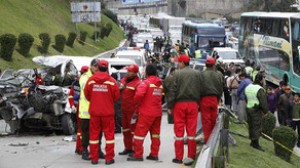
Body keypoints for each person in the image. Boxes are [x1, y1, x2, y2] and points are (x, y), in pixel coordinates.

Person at [84, 59, 120, 165]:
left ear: (98, 67)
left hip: (95, 112)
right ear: (107, 68)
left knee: (94, 135)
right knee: (109, 136)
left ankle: (94, 158)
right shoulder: (112, 81)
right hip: (107, 112)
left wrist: (95, 100)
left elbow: (87, 95)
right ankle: (109, 158)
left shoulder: (91, 80)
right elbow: (116, 96)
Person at [167, 54, 201, 166]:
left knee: (179, 132)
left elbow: (172, 91)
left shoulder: (177, 74)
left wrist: (170, 106)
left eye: (178, 62)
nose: (178, 64)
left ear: (182, 63)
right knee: (191, 133)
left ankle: (178, 157)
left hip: (179, 105)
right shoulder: (197, 74)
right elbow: (201, 89)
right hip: (193, 105)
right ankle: (191, 156)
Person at [127, 64, 163, 161]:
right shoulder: (159, 83)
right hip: (157, 113)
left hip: (146, 113)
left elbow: (138, 95)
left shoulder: (146, 83)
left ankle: (138, 155)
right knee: (155, 134)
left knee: (139, 134)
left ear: (147, 72)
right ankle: (154, 154)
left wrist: (136, 104)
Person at [79, 59, 105, 161]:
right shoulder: (85, 77)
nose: (98, 69)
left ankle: (98, 150)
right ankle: (85, 150)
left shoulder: (98, 76)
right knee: (86, 132)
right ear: (92, 67)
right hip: (86, 111)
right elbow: (89, 92)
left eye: (99, 68)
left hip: (97, 110)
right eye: (96, 67)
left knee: (99, 132)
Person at [199, 57, 224, 143]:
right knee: (213, 120)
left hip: (204, 99)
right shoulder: (219, 74)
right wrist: (219, 98)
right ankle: (213, 139)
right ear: (214, 65)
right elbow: (221, 87)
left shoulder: (201, 74)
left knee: (206, 121)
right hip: (215, 99)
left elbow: (198, 87)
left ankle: (207, 140)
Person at [118, 64, 141, 156]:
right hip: (124, 110)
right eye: (127, 70)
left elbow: (139, 99)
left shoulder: (138, 83)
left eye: (130, 71)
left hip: (132, 112)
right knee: (125, 130)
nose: (127, 72)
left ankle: (135, 149)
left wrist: (137, 111)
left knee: (133, 131)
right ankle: (128, 148)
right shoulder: (123, 81)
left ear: (135, 73)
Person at [244, 73, 268, 151]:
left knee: (251, 125)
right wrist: (265, 111)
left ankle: (252, 141)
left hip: (248, 108)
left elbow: (246, 98)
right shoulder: (260, 89)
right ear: (261, 80)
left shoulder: (248, 87)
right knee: (257, 126)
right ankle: (256, 144)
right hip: (256, 110)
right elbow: (263, 101)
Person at [69, 65, 89, 155]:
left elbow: (70, 95)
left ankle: (78, 148)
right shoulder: (88, 81)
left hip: (77, 109)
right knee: (84, 130)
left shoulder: (76, 82)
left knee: (79, 129)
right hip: (85, 109)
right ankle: (81, 149)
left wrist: (72, 105)